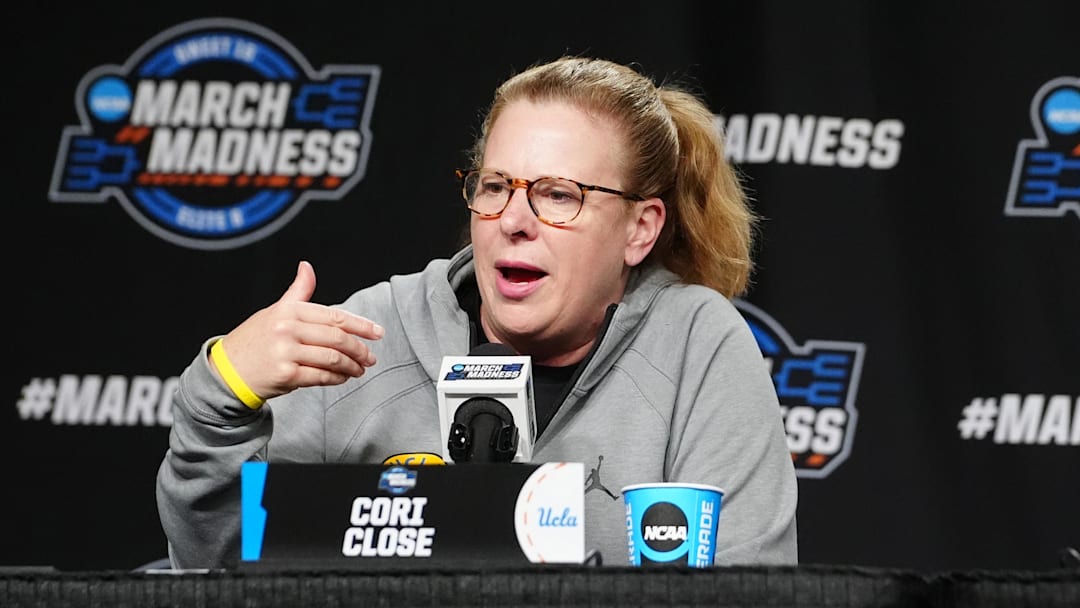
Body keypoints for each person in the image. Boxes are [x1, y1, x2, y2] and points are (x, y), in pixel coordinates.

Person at [156, 55, 798, 569]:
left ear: (640, 228)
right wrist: (220, 396)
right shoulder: (368, 336)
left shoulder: (695, 346)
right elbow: (219, 573)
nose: (513, 220)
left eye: (558, 195)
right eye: (495, 187)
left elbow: (750, 588)